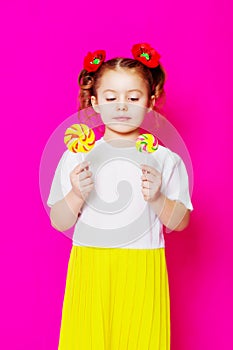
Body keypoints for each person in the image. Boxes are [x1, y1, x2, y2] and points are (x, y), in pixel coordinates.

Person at [47, 43, 194, 350]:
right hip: (91, 264)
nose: (122, 106)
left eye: (134, 97)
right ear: (95, 102)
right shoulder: (78, 156)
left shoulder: (165, 159)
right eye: (111, 98)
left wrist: (156, 198)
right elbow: (59, 220)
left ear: (151, 102)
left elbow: (180, 223)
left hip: (143, 265)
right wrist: (76, 193)